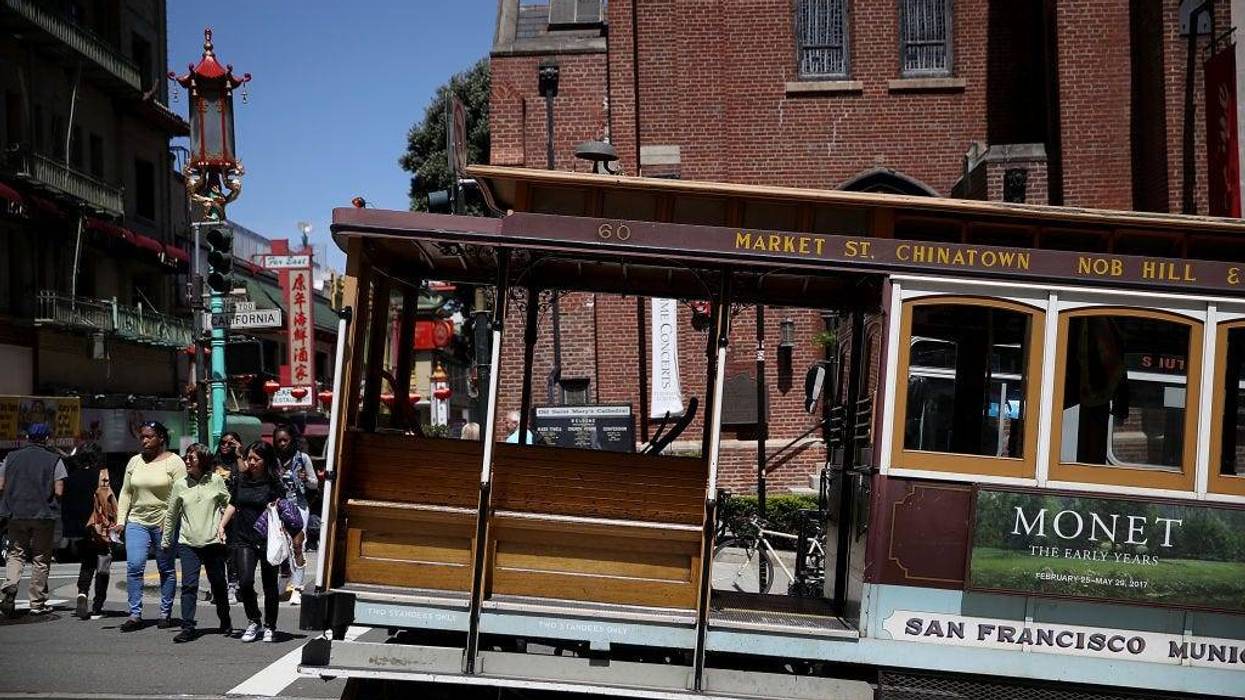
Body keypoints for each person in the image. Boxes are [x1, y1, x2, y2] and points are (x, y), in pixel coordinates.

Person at [220, 441, 302, 643]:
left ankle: (270, 626)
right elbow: (233, 503)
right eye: (249, 458)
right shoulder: (241, 479)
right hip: (243, 537)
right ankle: (253, 620)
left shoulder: (274, 483)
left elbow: (283, 509)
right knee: (246, 582)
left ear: (266, 461)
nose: (251, 462)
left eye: (256, 459)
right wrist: (221, 525)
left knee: (269, 585)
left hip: (268, 539)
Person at [112, 421, 186, 632]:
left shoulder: (175, 462)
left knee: (166, 568)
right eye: (142, 436)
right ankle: (134, 615)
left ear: (160, 438)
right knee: (135, 566)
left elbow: (180, 494)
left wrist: (170, 520)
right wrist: (120, 521)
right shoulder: (134, 461)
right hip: (137, 521)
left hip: (165, 522)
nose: (144, 440)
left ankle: (165, 613)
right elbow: (126, 492)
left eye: (149, 436)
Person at [161, 444, 232, 642]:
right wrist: (166, 540)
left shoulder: (216, 481)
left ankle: (225, 619)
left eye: (192, 458)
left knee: (218, 584)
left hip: (212, 542)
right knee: (189, 586)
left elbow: (229, 506)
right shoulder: (180, 484)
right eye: (186, 457)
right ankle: (188, 627)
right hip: (187, 543)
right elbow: (172, 515)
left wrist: (223, 526)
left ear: (203, 460)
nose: (187, 461)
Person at [0, 423, 67, 617]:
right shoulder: (54, 460)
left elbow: (1, 484)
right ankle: (37, 602)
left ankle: (10, 586)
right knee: (40, 558)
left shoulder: (10, 458)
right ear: (46, 438)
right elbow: (59, 490)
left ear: (27, 438)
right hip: (43, 514)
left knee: (15, 553)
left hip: (15, 513)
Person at [273, 425, 316, 606]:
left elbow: (315, 484)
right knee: (281, 545)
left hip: (298, 505)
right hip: (278, 506)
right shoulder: (272, 460)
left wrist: (306, 479)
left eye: (285, 440)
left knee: (298, 544)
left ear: (292, 440)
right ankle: (284, 581)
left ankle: (297, 587)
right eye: (279, 441)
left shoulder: (302, 458)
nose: (282, 444)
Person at [75, 465, 117, 620]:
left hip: (84, 527)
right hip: (102, 527)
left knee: (86, 563)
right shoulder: (104, 476)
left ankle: (82, 592)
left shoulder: (76, 475)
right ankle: (98, 605)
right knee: (103, 565)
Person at [215, 431, 244, 603]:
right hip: (216, 512)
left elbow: (244, 477)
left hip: (236, 512)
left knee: (234, 549)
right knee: (220, 551)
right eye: (223, 443)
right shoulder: (214, 462)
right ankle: (222, 585)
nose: (226, 446)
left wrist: (239, 453)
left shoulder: (240, 462)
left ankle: (234, 584)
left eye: (230, 443)